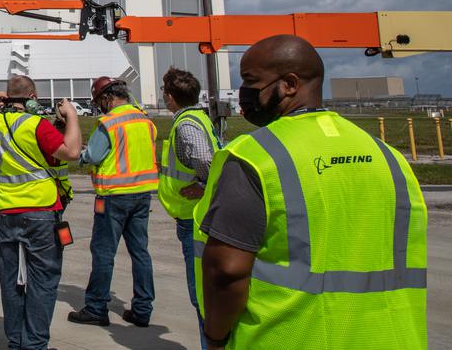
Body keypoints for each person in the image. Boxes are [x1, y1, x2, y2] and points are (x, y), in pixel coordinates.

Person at [195, 35, 427, 348]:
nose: (243, 93)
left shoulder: (254, 157)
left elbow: (227, 270)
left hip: (292, 337)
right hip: (391, 337)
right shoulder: (388, 156)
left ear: (289, 84)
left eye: (251, 81)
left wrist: (214, 336)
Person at [0, 75, 81, 350]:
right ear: (32, 97)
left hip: (7, 213)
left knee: (11, 282)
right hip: (42, 213)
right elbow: (72, 151)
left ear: (6, 98)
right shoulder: (37, 125)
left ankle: (15, 342)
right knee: (43, 281)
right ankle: (34, 344)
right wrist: (72, 116)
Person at [68, 76, 158, 329]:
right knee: (140, 252)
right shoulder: (145, 120)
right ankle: (142, 308)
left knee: (104, 252)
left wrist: (81, 153)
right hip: (142, 194)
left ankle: (96, 307)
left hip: (113, 196)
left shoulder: (108, 123)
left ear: (107, 98)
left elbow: (95, 155)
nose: (99, 107)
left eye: (99, 102)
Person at [157, 67, 219, 349]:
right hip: (192, 212)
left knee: (201, 294)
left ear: (171, 96)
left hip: (193, 215)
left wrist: (204, 186)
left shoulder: (186, 125)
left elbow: (205, 159)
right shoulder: (198, 118)